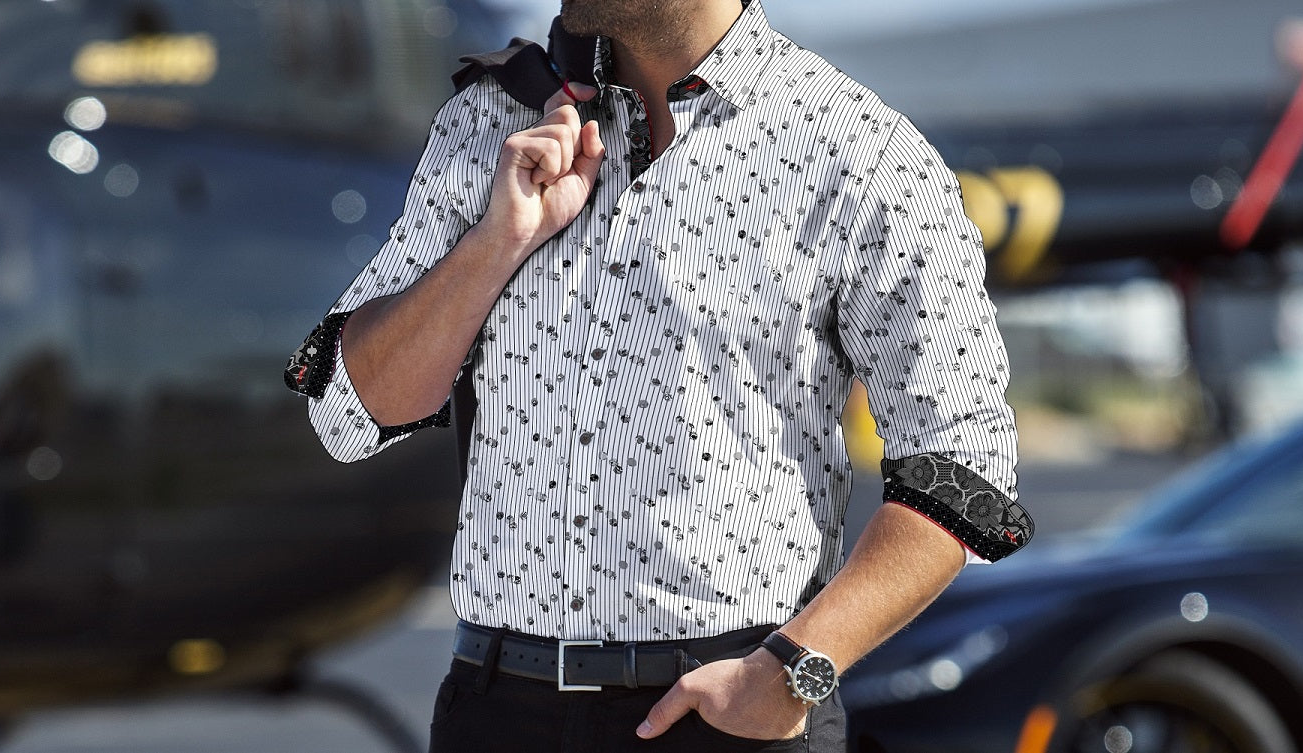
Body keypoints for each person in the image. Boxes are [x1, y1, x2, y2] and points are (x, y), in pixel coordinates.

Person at [287, 1, 1033, 750]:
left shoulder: (862, 155)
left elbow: (965, 469)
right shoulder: (490, 124)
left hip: (728, 714)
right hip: (495, 710)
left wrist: (795, 670)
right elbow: (351, 413)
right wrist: (497, 242)